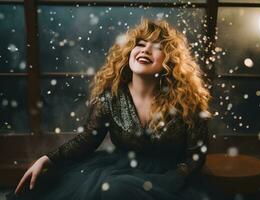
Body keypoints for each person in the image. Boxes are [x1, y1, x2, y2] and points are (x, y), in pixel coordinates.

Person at [7, 18, 221, 200]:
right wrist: (47, 158)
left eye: (157, 47)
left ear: (170, 61)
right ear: (129, 52)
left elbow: (196, 154)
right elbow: (87, 140)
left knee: (118, 189)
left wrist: (175, 178)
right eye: (140, 44)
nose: (145, 49)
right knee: (109, 188)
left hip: (169, 175)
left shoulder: (187, 100)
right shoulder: (111, 97)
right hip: (119, 168)